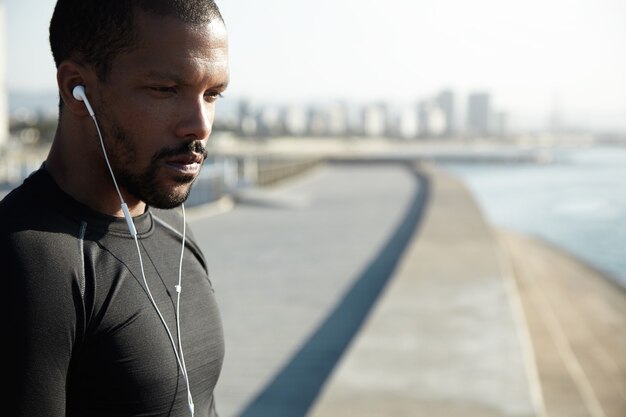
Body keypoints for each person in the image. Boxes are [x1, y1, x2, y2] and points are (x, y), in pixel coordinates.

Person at [0, 0, 229, 416]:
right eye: (165, 90)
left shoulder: (173, 231)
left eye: (212, 94)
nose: (200, 124)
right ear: (76, 89)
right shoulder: (28, 260)